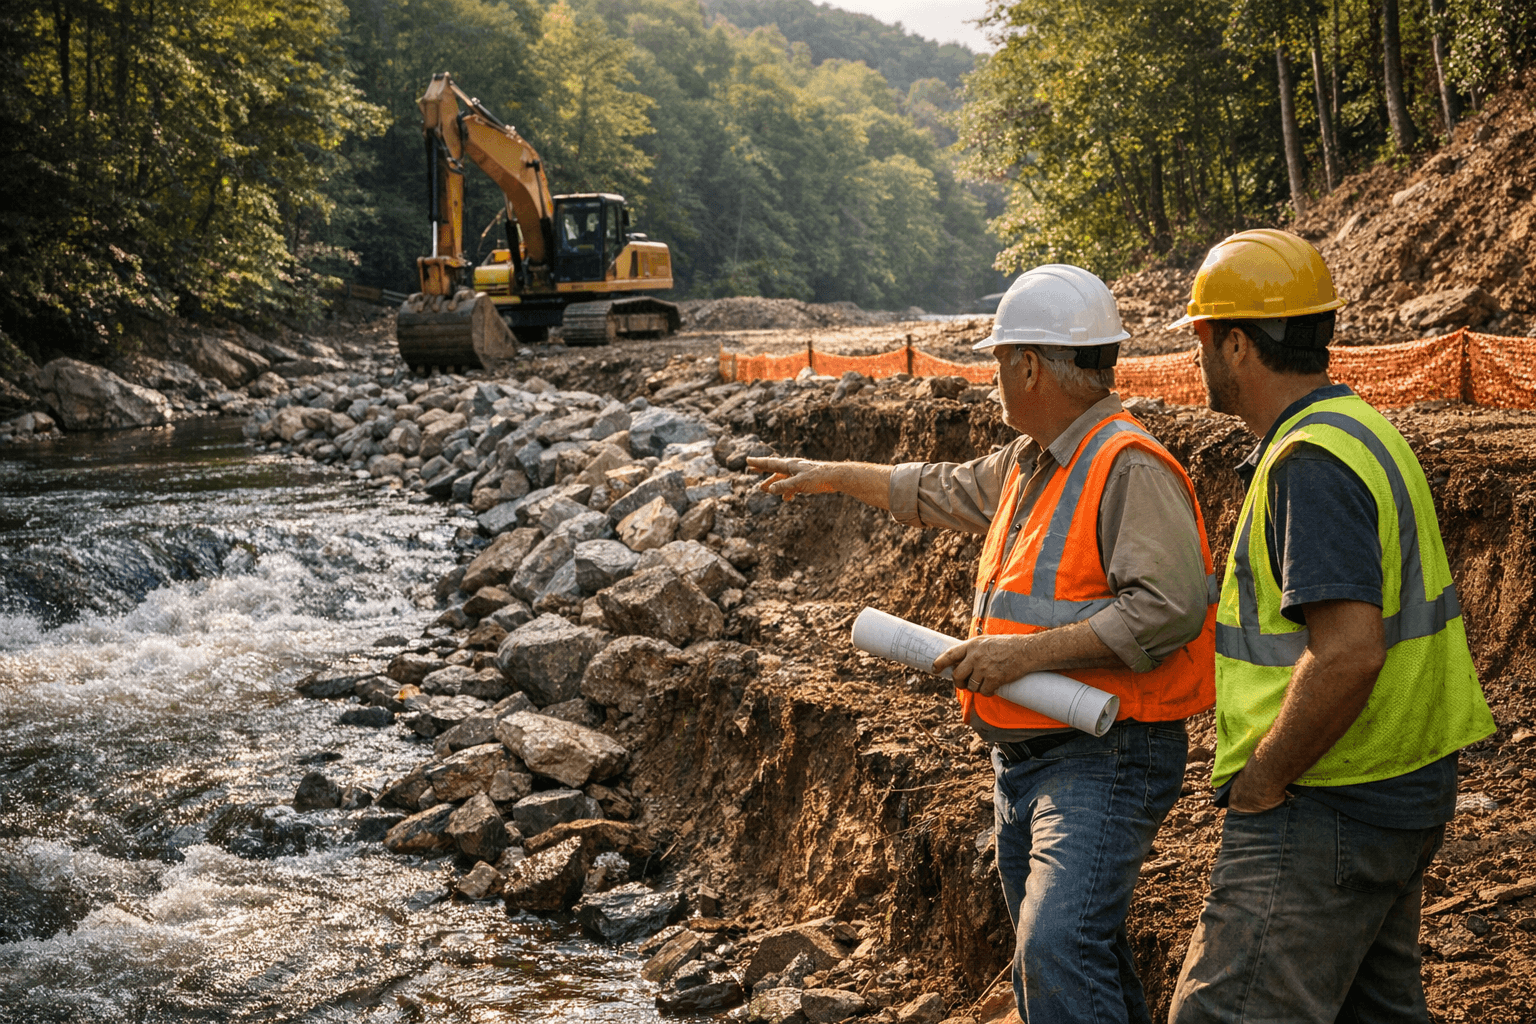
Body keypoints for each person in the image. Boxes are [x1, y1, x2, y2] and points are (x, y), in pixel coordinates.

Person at [748, 265, 1217, 1024]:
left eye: (997, 359)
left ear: (1030, 365)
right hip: (1029, 759)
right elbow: (935, 488)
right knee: (1077, 951)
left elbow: (1169, 609)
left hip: (1104, 755)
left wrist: (1023, 657)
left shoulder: (1125, 463)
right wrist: (832, 475)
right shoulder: (1032, 461)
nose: (990, 375)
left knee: (1055, 949)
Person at [1165, 229, 1496, 1023]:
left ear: (1237, 344)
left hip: (1328, 797)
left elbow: (1348, 652)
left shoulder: (1310, 462)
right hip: (1396, 785)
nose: (1199, 356)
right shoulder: (1359, 428)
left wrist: (1263, 778)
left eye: (1204, 338)